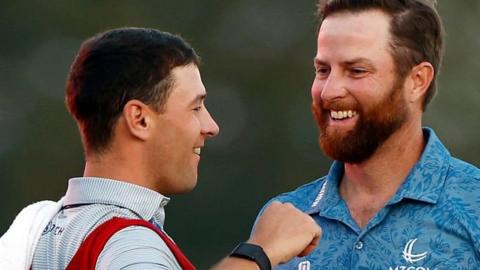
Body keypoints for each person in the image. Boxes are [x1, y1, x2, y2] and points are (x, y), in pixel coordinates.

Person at [0, 27, 321, 270]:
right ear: (139, 119)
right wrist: (259, 252)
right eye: (195, 108)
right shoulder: (129, 245)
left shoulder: (34, 225)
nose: (211, 126)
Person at [256, 0, 480, 269]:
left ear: (417, 81)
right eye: (323, 70)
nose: (329, 91)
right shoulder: (282, 218)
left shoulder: (472, 204)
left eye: (357, 71)